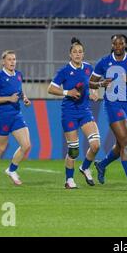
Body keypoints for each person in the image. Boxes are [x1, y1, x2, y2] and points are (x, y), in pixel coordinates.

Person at [48, 37, 109, 189]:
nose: (77, 54)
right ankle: (69, 180)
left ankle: (85, 167)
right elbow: (51, 88)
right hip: (69, 112)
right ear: (70, 54)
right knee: (74, 150)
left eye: (80, 52)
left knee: (96, 145)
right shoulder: (64, 71)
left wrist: (95, 90)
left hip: (84, 111)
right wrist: (67, 92)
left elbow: (90, 83)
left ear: (83, 54)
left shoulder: (88, 68)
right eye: (75, 52)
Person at [89, 34, 127, 193]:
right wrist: (100, 84)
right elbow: (90, 81)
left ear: (125, 44)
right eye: (115, 44)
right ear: (112, 45)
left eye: (121, 43)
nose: (118, 46)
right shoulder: (104, 62)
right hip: (113, 104)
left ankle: (102, 164)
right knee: (126, 142)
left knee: (121, 144)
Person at [0, 50, 32, 187]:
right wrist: (9, 99)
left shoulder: (18, 75)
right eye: (9, 59)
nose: (12, 62)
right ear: (3, 62)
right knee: (1, 148)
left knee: (26, 145)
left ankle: (11, 170)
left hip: (16, 115)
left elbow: (19, 90)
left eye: (14, 59)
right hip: (2, 117)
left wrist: (25, 98)